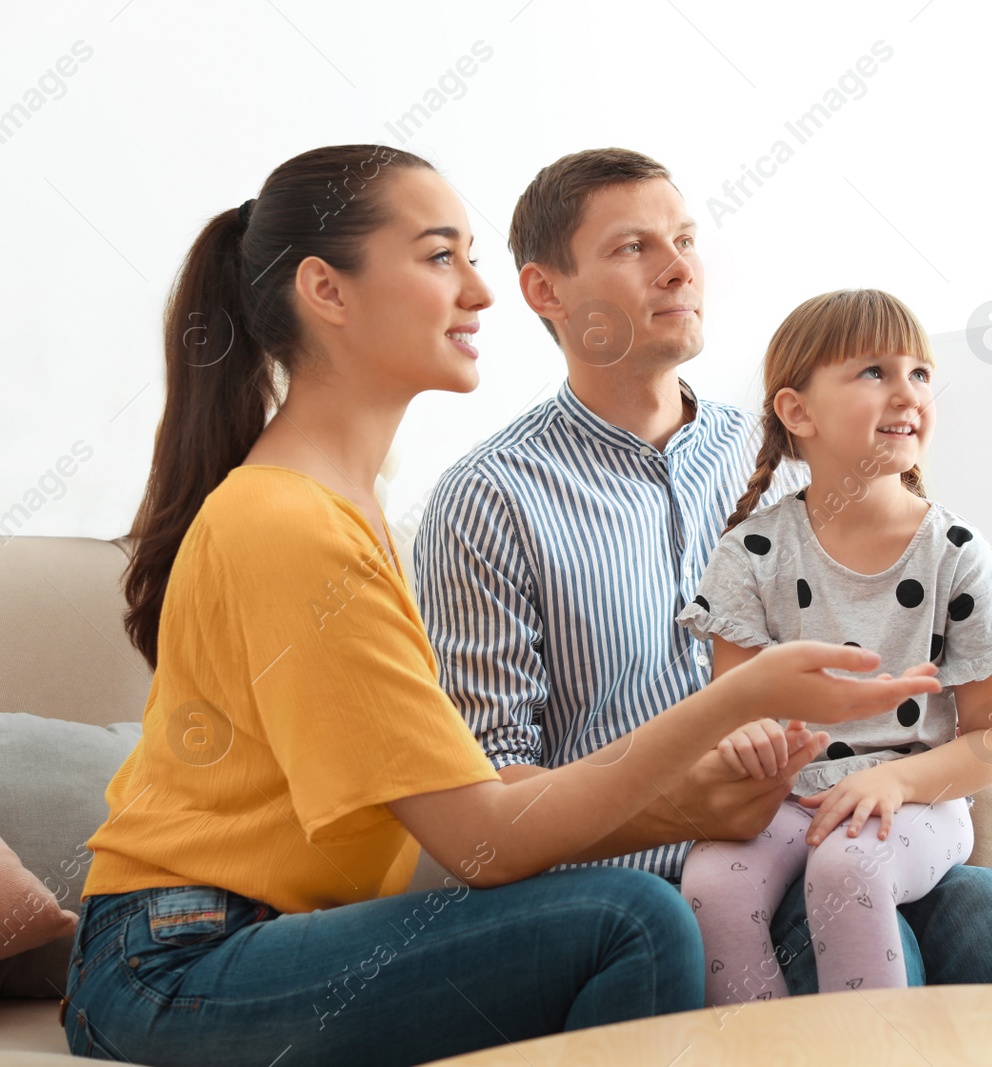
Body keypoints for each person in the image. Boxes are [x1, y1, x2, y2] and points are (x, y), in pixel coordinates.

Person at [63, 144, 938, 1067]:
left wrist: (698, 805)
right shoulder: (290, 522)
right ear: (327, 290)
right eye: (441, 257)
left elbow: (483, 819)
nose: (478, 294)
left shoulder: (342, 505)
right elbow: (482, 841)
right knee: (628, 920)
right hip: (174, 959)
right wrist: (738, 696)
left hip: (254, 937)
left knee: (936, 900)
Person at [413, 148, 992, 993]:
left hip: (823, 823)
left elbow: (911, 643)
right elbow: (496, 791)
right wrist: (686, 805)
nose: (680, 269)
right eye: (634, 248)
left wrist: (900, 774)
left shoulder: (785, 457)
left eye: (684, 239)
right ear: (545, 291)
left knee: (973, 901)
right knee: (865, 924)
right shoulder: (487, 498)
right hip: (647, 891)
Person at [674, 288, 992, 1004]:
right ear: (797, 412)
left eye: (921, 373)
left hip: (915, 798)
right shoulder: (750, 553)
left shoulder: (958, 553)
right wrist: (751, 742)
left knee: (848, 870)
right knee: (711, 885)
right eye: (874, 372)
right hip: (787, 800)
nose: (907, 391)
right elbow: (734, 709)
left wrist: (896, 782)